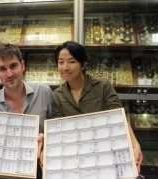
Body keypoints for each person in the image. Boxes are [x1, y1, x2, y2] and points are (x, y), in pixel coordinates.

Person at [50, 41, 143, 172]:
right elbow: (60, 130)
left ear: (83, 65)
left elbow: (119, 117)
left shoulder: (102, 86)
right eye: (61, 62)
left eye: (71, 62)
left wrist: (135, 144)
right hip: (75, 156)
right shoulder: (57, 95)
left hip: (105, 151)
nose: (65, 67)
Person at [0, 44, 52, 179]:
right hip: (6, 173)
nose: (9, 74)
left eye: (13, 66)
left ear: (23, 65)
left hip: (42, 171)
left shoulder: (44, 92)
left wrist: (46, 142)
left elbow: (56, 132)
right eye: (2, 69)